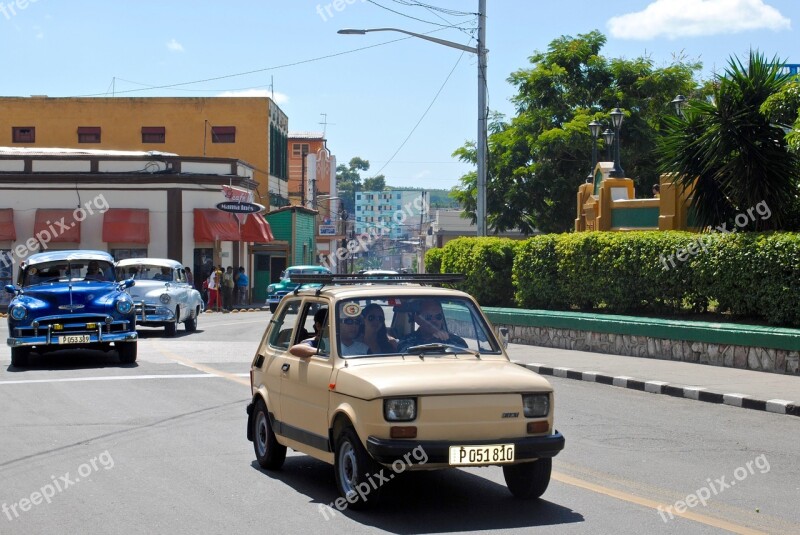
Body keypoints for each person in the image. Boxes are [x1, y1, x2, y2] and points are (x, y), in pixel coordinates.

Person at [398, 299, 467, 351]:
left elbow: (465, 354)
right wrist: (432, 342)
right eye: (428, 317)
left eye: (438, 316)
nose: (434, 320)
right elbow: (405, 353)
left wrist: (447, 342)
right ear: (417, 319)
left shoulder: (455, 340)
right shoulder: (406, 340)